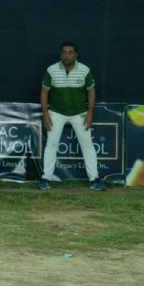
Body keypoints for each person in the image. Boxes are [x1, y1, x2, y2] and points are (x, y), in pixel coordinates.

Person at [38, 41, 106, 191]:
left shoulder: (84, 70)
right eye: (64, 52)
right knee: (51, 144)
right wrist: (46, 114)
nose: (67, 55)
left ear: (76, 54)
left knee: (87, 145)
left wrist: (90, 113)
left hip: (80, 113)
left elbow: (91, 91)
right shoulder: (51, 70)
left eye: (70, 52)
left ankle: (94, 179)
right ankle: (45, 179)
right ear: (60, 54)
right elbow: (44, 92)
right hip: (56, 112)